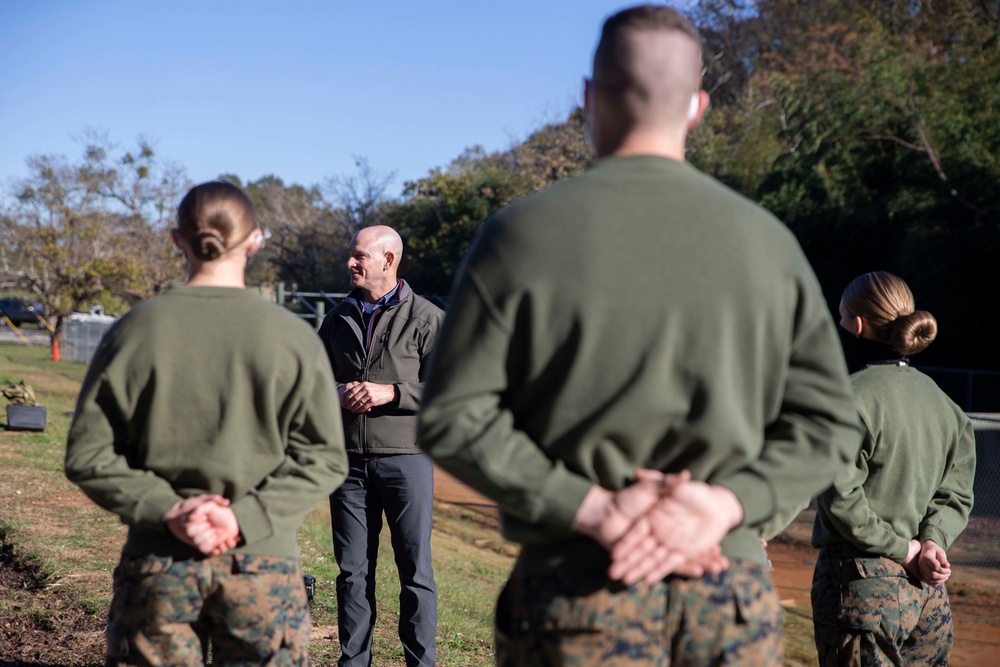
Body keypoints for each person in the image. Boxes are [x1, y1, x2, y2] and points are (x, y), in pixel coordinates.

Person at [417, 4, 862, 665]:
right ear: (698, 106)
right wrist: (721, 504)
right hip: (727, 596)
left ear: (589, 98)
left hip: (576, 595)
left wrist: (595, 507)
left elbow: (452, 417)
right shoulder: (769, 245)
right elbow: (830, 424)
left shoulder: (522, 235)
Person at [64, 181, 348, 666]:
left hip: (158, 564)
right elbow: (324, 457)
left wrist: (169, 511)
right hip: (264, 567)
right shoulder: (294, 338)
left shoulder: (135, 330)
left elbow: (88, 455)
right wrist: (242, 519)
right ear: (255, 241)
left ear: (177, 240)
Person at [811, 271, 976, 666]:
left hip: (860, 588)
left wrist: (902, 549)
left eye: (840, 318)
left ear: (857, 324)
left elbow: (841, 496)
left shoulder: (848, 398)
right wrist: (932, 543)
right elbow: (955, 493)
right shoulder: (945, 405)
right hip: (927, 595)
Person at [318, 225, 442, 667]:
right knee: (352, 574)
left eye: (360, 256)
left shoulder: (427, 318)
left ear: (388, 260)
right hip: (348, 467)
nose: (351, 263)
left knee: (415, 575)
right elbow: (313, 381)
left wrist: (392, 393)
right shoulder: (336, 319)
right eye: (351, 256)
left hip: (406, 464)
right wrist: (337, 392)